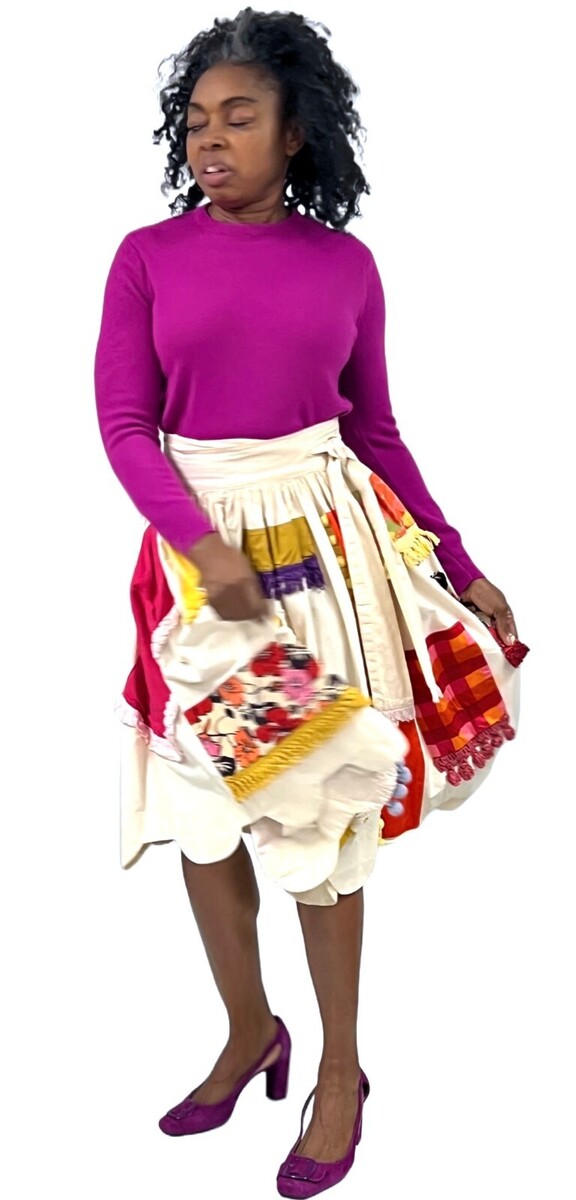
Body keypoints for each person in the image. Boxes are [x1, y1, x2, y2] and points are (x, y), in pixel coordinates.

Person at [94, 9, 525, 1197]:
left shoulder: (346, 267)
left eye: (239, 117)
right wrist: (200, 545)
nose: (211, 138)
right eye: (196, 120)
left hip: (326, 557)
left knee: (320, 804)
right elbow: (125, 426)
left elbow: (375, 430)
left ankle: (341, 1068)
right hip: (198, 569)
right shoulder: (146, 256)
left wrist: (459, 561)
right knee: (204, 809)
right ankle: (250, 1031)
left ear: (296, 133)